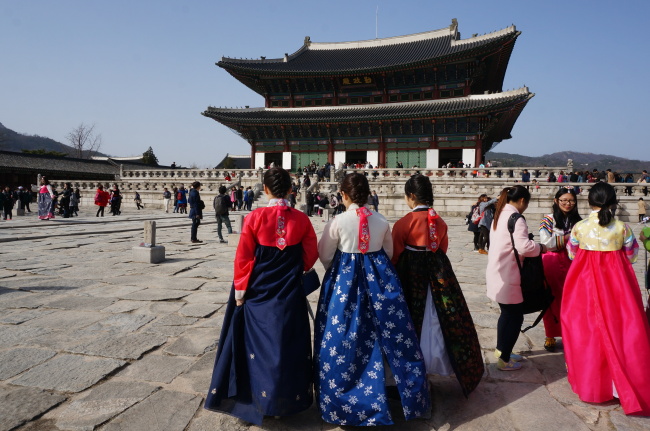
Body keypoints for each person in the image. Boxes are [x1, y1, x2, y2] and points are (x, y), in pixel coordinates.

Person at [315, 173, 431, 426]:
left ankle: (345, 396)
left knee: (344, 336)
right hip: (380, 282)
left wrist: (338, 274)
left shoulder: (338, 221)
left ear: (343, 195)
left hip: (346, 284)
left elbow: (324, 254)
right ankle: (394, 389)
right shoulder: (381, 220)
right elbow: (388, 252)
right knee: (388, 335)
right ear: (367, 194)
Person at [205, 167, 318, 425]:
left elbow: (243, 257)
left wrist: (241, 291)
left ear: (265, 189)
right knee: (287, 345)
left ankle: (256, 399)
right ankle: (287, 400)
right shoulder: (301, 220)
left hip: (257, 291)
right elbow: (310, 257)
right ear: (291, 189)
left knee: (254, 346)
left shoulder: (255, 217)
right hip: (288, 293)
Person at [562, 182, 650, 415]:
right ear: (613, 202)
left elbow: (572, 254)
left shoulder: (579, 228)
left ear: (588, 202)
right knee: (623, 329)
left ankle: (593, 384)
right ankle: (621, 387)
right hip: (617, 287)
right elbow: (631, 256)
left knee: (588, 329)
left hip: (584, 285)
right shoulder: (623, 228)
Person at [392, 174, 484, 397]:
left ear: (411, 196)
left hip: (411, 275)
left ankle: (412, 367)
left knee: (413, 318)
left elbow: (395, 254)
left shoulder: (405, 222)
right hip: (439, 272)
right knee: (441, 316)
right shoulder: (439, 221)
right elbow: (442, 248)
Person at [486, 185, 546, 371]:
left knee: (507, 313)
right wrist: (542, 248)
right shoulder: (516, 218)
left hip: (498, 270)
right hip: (510, 272)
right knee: (514, 316)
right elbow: (525, 248)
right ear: (522, 201)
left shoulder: (500, 213)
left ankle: (501, 349)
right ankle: (504, 359)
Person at [538, 187, 582, 352]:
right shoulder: (548, 220)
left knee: (573, 300)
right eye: (563, 200)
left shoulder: (579, 222)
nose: (567, 203)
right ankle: (550, 334)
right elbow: (546, 242)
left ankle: (572, 334)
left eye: (571, 200)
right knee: (551, 298)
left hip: (574, 263)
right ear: (556, 201)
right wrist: (567, 238)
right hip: (552, 262)